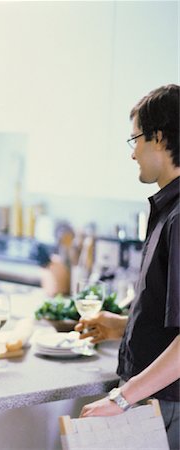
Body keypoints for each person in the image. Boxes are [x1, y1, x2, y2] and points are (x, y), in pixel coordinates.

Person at [76, 84, 180, 449]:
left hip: (165, 404)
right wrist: (121, 326)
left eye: (135, 138)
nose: (132, 152)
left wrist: (122, 398)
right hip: (156, 399)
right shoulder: (169, 209)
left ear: (159, 138)